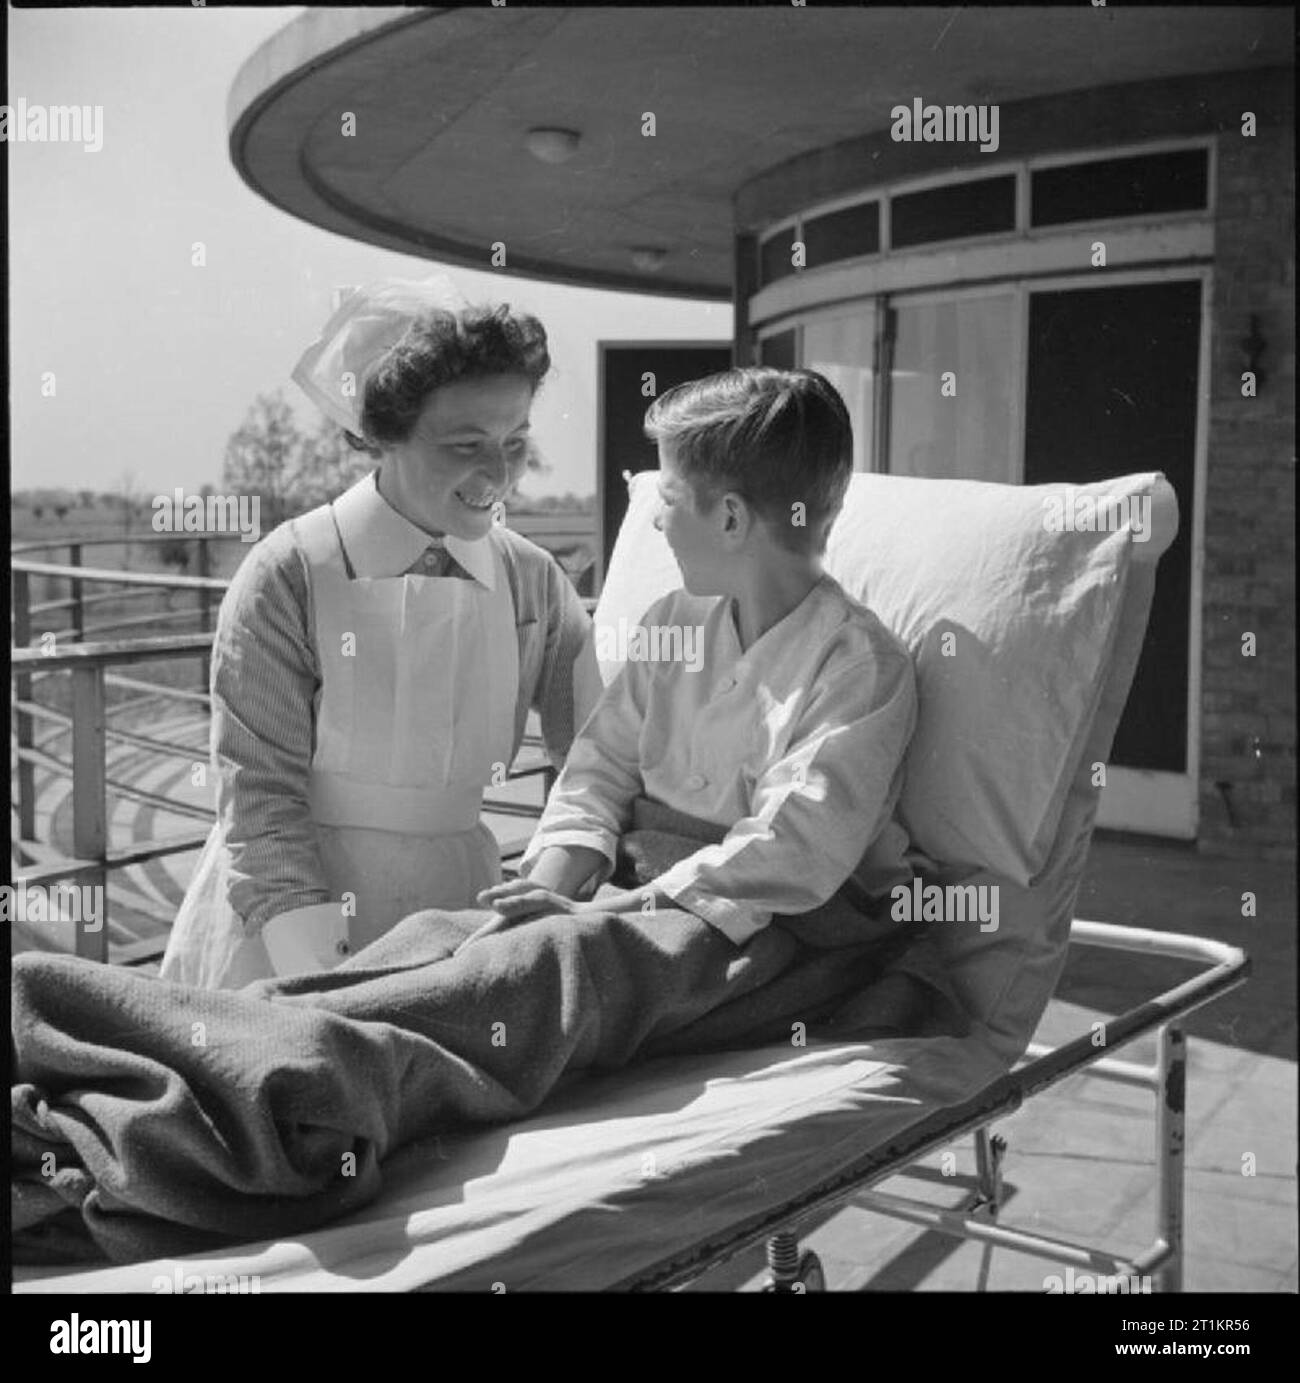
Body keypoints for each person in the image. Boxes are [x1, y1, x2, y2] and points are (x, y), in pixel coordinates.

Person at [159, 276, 601, 989]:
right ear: (386, 435)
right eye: (465, 444)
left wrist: (542, 895)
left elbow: (592, 766)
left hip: (459, 919)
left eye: (515, 440)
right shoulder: (289, 573)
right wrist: (322, 984)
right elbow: (262, 801)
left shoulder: (534, 581)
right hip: (285, 922)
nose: (498, 472)